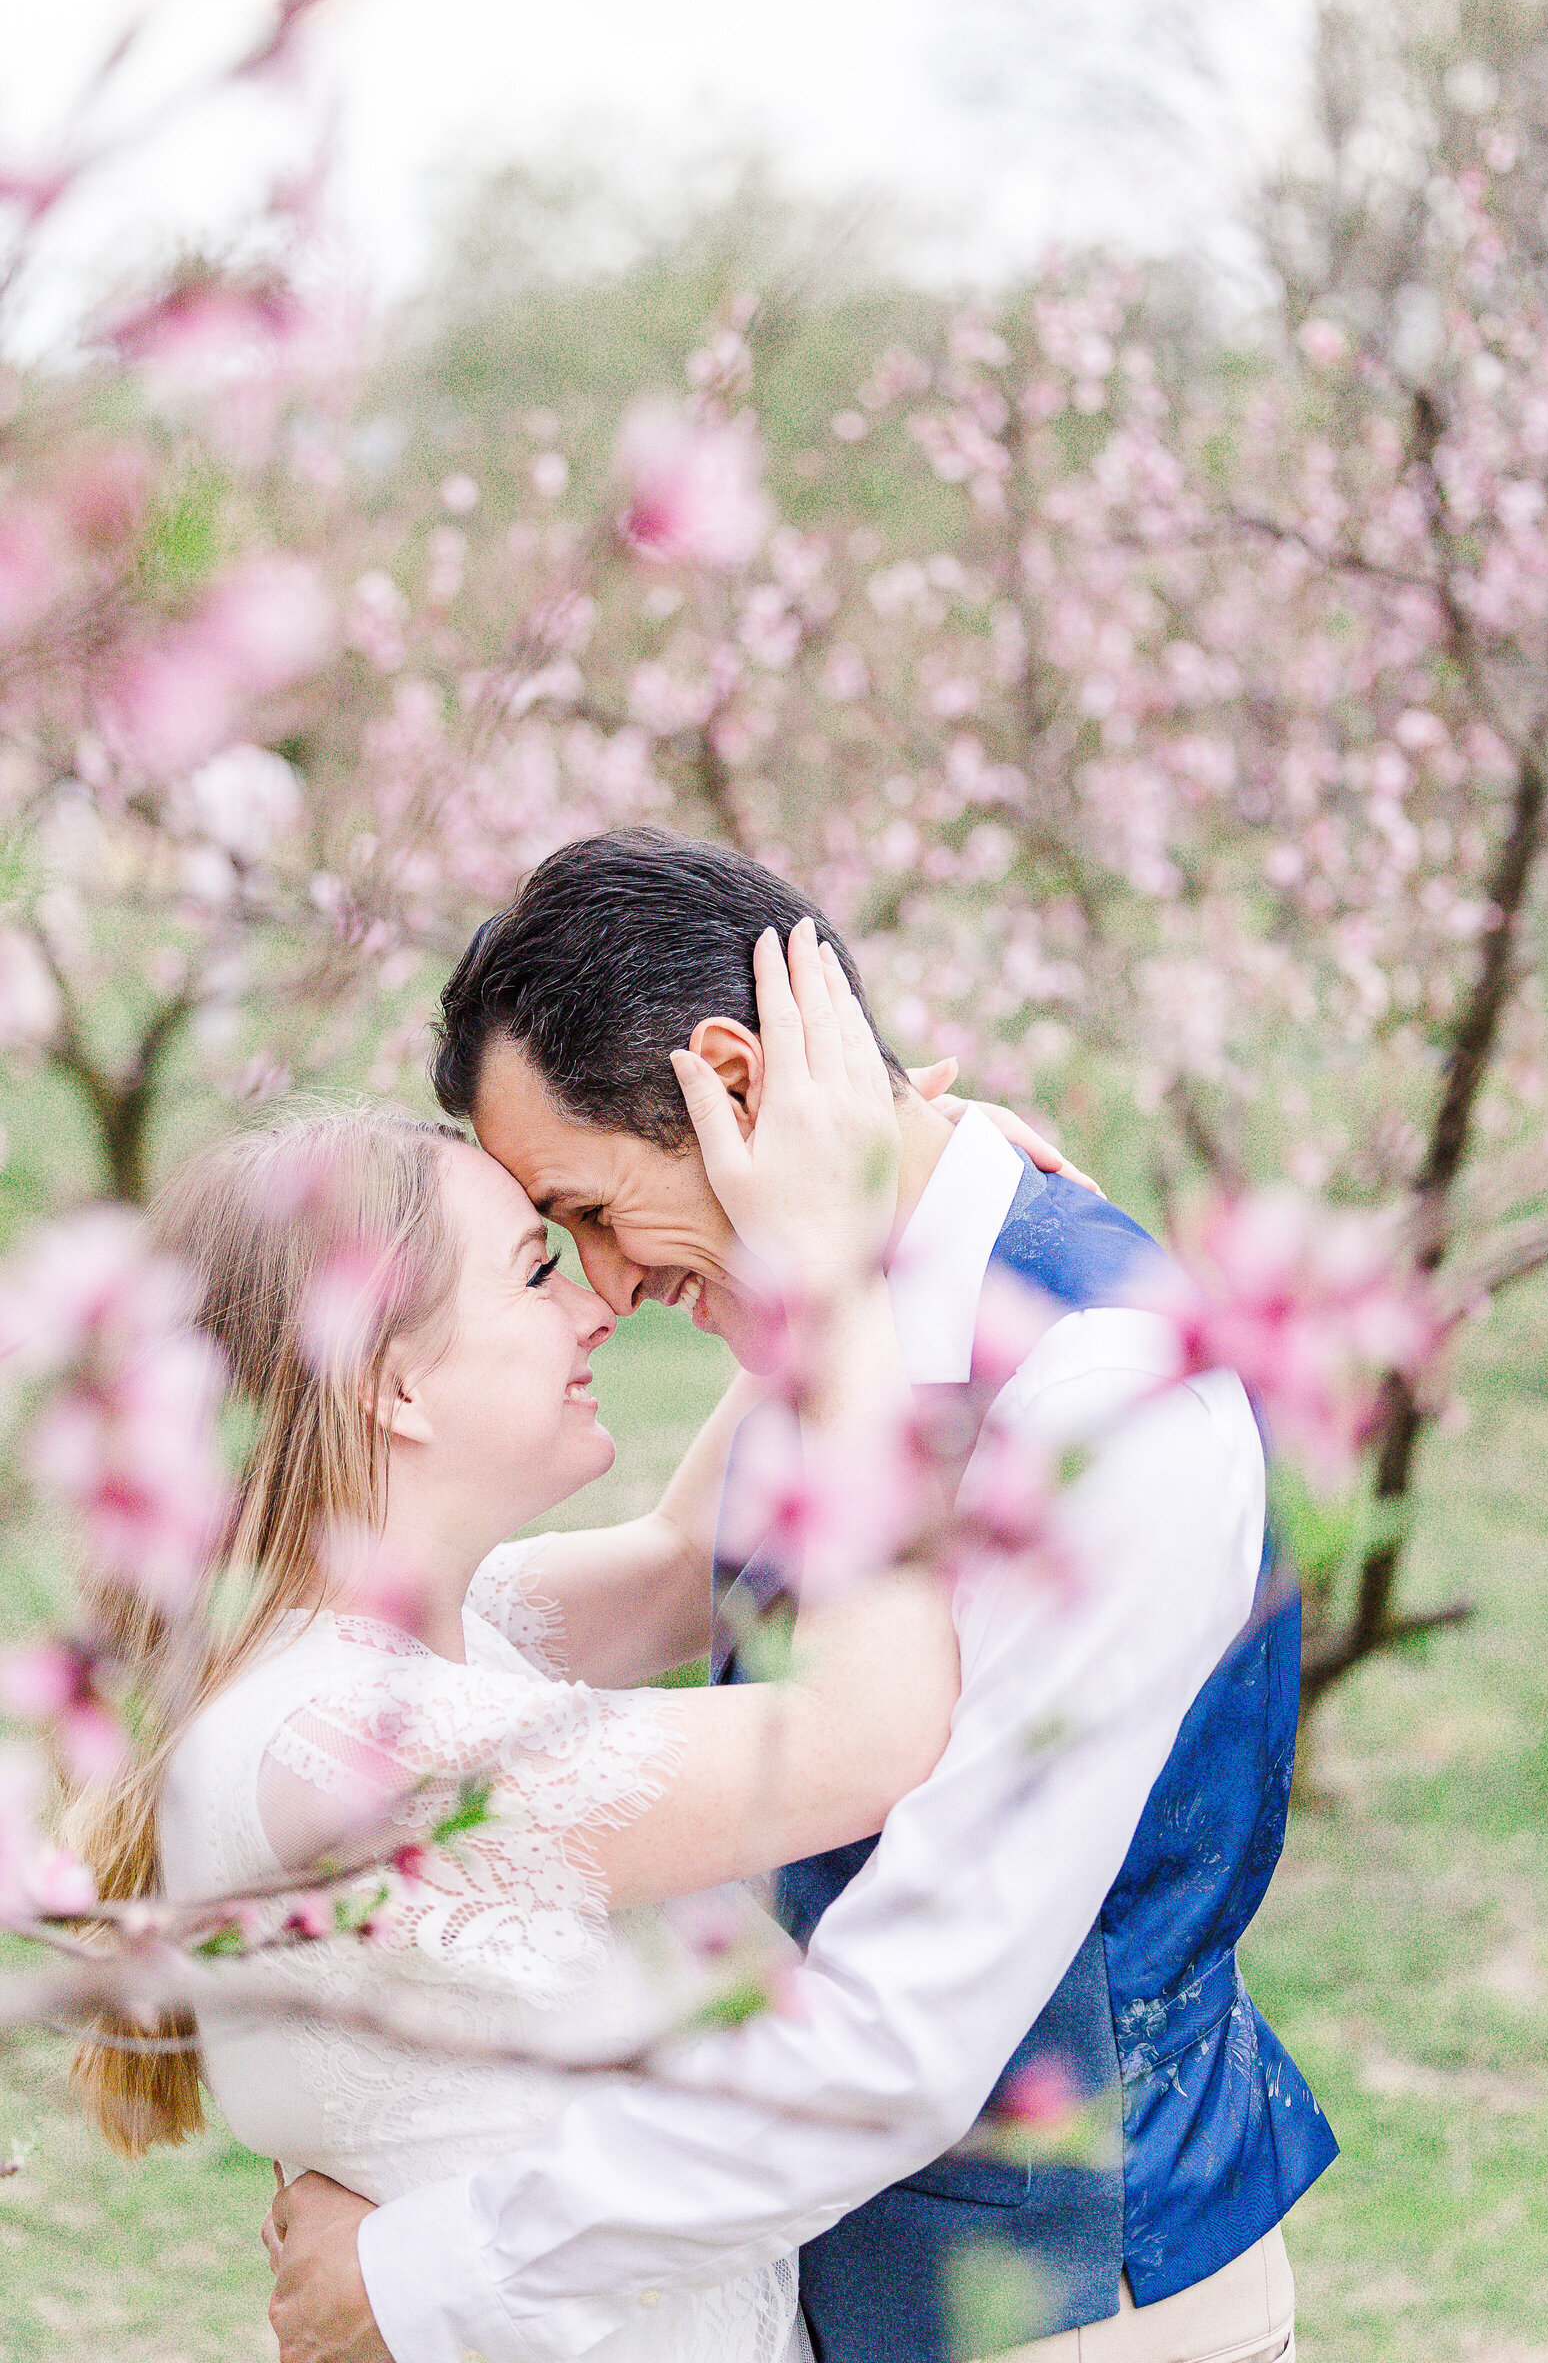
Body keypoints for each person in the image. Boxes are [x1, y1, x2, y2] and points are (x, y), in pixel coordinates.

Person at [267, 830, 1336, 2363]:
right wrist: (283, 1668)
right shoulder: (841, 1310)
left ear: (735, 1083)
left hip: (1059, 2310)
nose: (606, 1286)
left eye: (588, 1208)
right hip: (840, 2276)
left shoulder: (1100, 1398)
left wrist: (427, 2280)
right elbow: (653, 1586)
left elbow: (918, 2027)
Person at [69, 949, 969, 2363]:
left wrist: (857, 1199)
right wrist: (848, 1286)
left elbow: (687, 1564)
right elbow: (865, 1739)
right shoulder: (343, 1750)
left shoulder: (420, 1639)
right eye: (538, 1266)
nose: (599, 1301)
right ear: (393, 1381)